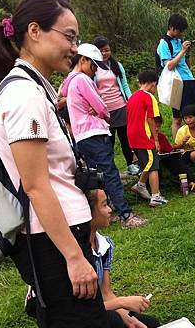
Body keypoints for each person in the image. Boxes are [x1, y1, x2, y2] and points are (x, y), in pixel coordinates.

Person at [0, 0, 123, 328]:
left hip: (47, 240)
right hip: (53, 243)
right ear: (34, 32)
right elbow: (37, 186)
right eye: (69, 36)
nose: (75, 47)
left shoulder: (26, 89)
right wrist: (75, 257)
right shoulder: (25, 96)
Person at [36, 188, 160, 328]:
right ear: (85, 212)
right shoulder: (69, 256)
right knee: (112, 321)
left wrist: (129, 318)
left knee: (150, 324)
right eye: (104, 205)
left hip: (95, 314)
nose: (110, 209)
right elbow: (76, 312)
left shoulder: (104, 244)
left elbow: (106, 293)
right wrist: (122, 303)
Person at [60, 43, 148, 227]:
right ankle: (126, 215)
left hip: (81, 136)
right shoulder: (82, 79)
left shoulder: (69, 81)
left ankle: (105, 211)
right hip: (93, 132)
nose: (95, 72)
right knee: (110, 173)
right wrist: (103, 112)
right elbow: (101, 106)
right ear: (83, 60)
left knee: (96, 177)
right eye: (93, 66)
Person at [93, 36, 140, 176]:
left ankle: (130, 164)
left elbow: (124, 85)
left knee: (126, 138)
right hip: (104, 110)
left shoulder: (116, 65)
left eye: (107, 50)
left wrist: (131, 101)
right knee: (109, 140)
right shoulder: (93, 67)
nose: (105, 53)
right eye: (101, 51)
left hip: (121, 106)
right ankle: (110, 167)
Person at [156, 13, 195, 138]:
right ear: (171, 27)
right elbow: (169, 66)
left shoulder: (179, 41)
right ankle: (179, 147)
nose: (181, 33)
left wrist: (187, 53)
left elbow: (186, 64)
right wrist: (182, 51)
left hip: (189, 80)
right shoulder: (164, 44)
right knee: (178, 117)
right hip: (177, 83)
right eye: (179, 30)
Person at [126, 70, 168, 207]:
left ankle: (140, 185)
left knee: (147, 162)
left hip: (132, 135)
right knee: (153, 165)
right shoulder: (149, 97)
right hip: (144, 135)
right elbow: (151, 120)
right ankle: (156, 196)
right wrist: (155, 139)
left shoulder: (132, 97)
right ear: (153, 84)